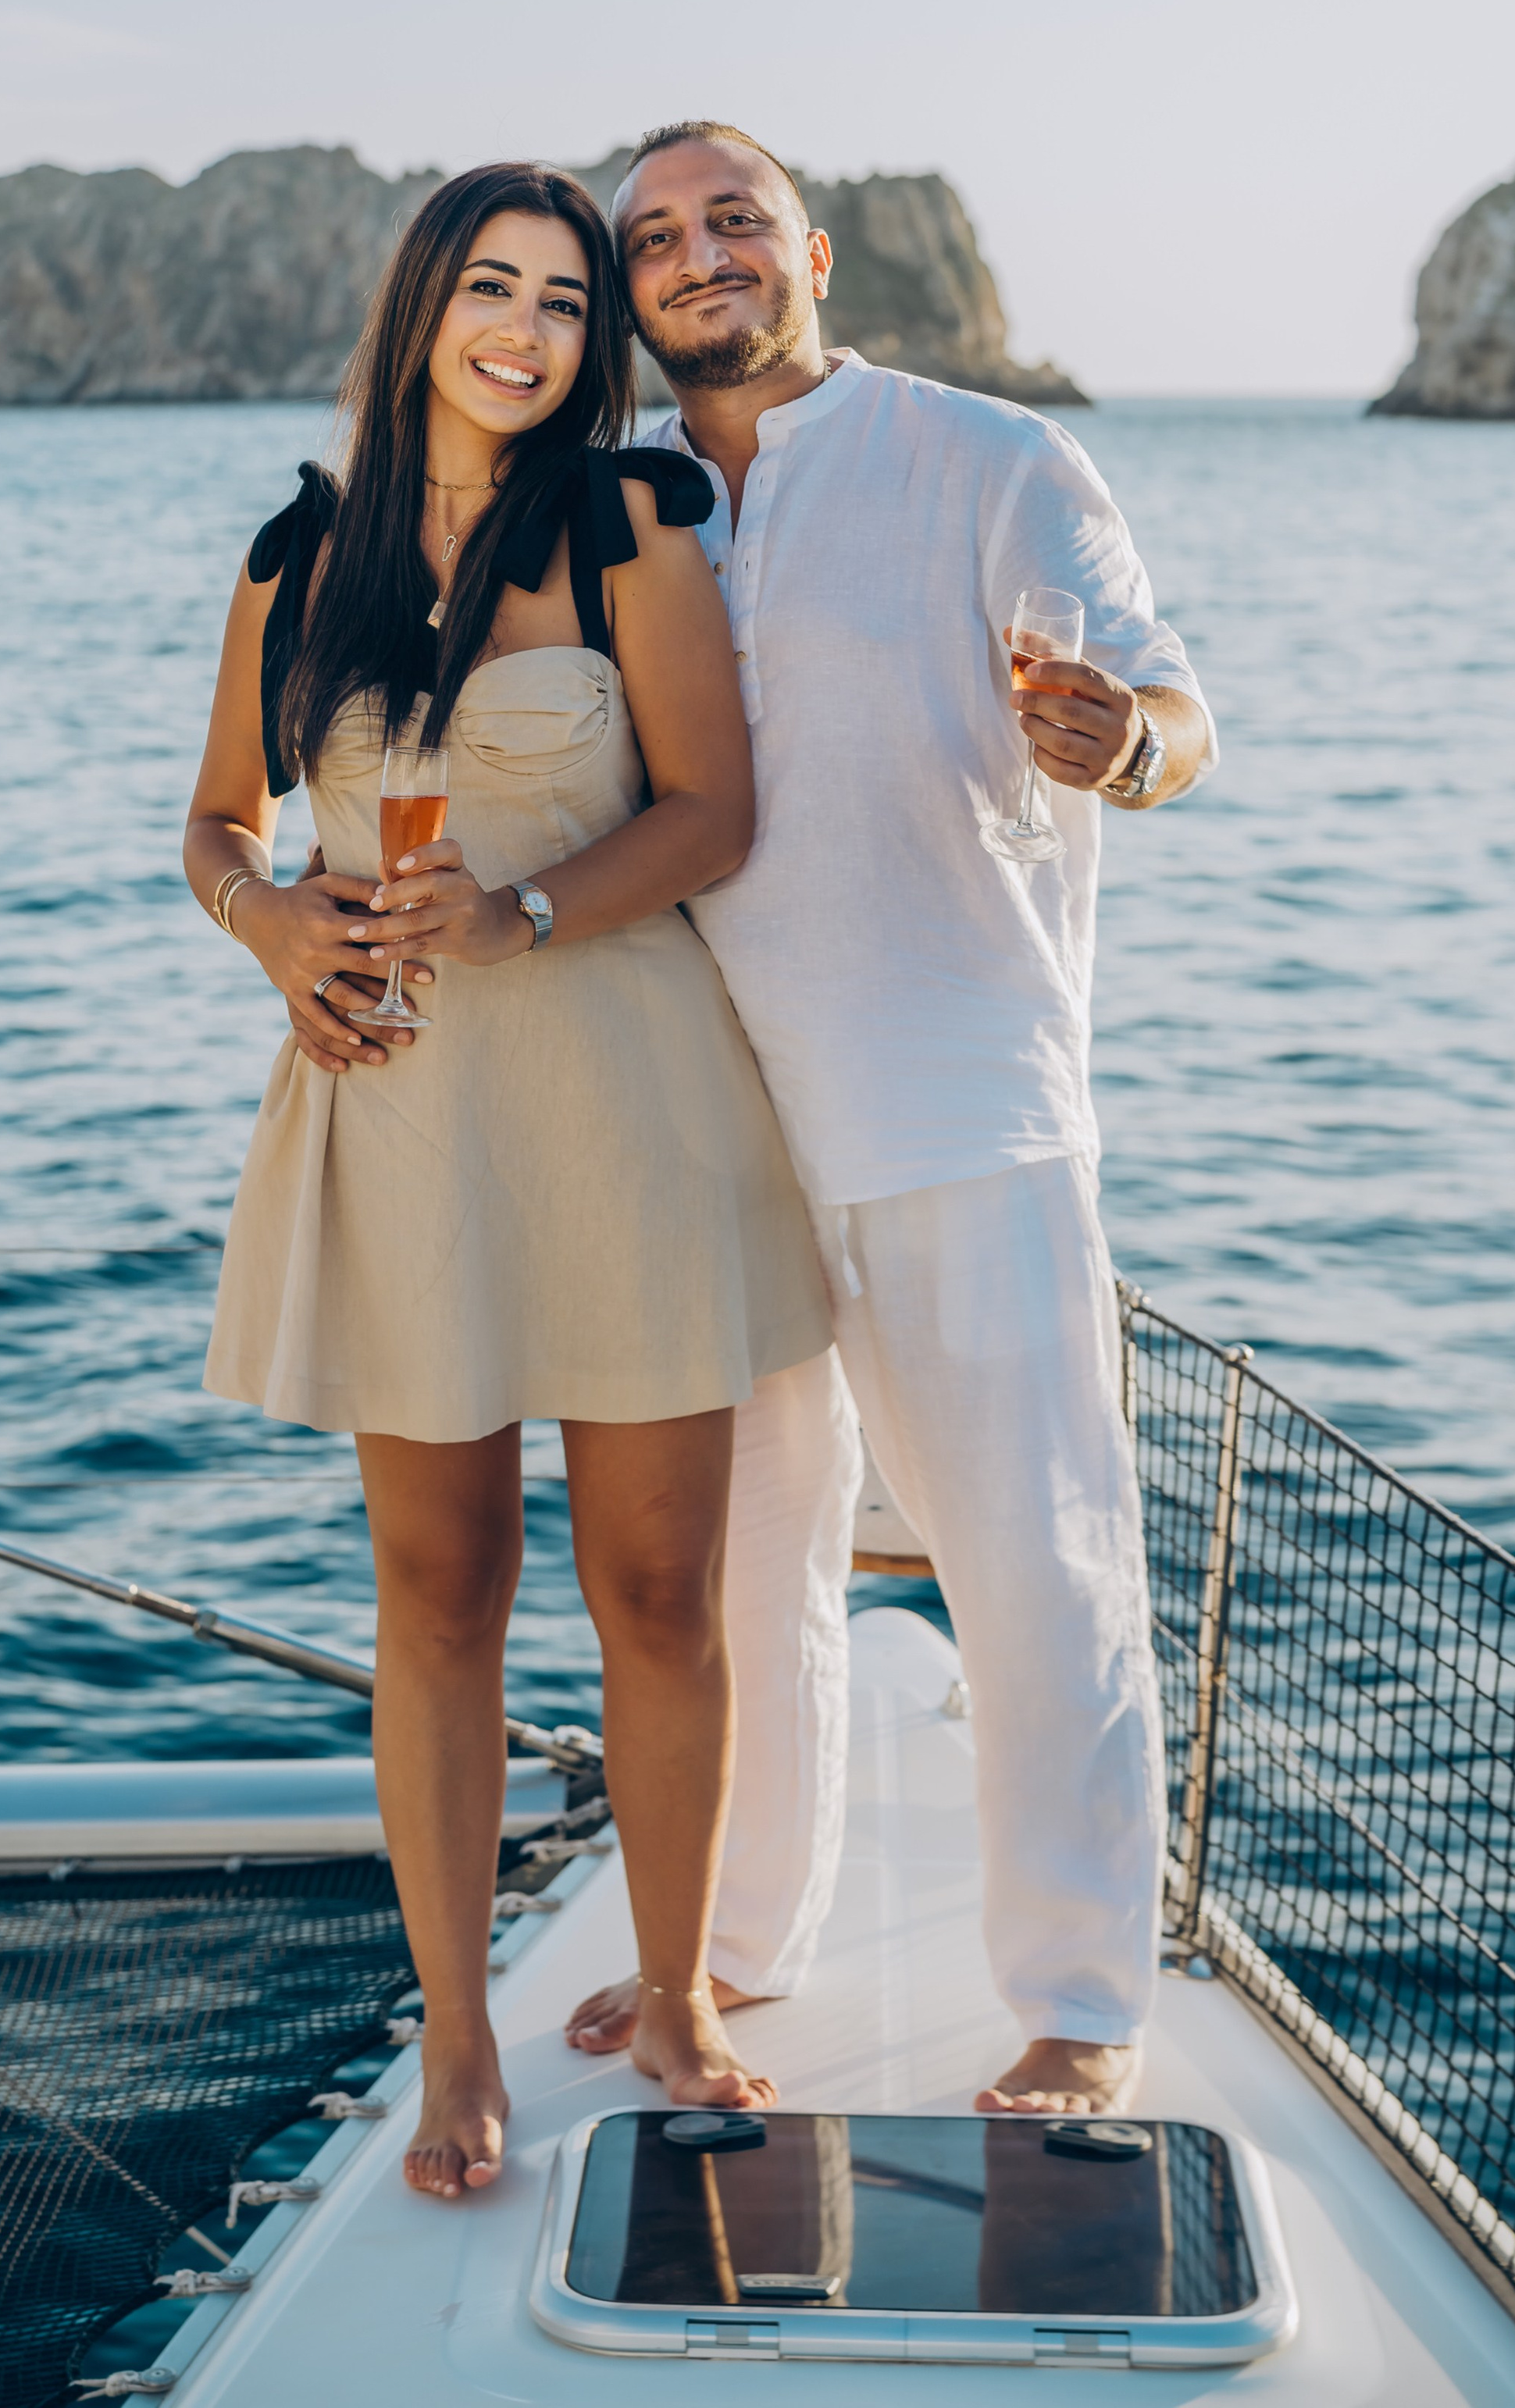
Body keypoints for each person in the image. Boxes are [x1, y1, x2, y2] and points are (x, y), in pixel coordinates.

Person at [304, 123, 1214, 2122]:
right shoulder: (626, 509)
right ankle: (727, 1948)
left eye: (733, 220)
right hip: (702, 1125)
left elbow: (1169, 708)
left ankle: (1076, 2000)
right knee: (738, 1577)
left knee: (1034, 1560)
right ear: (625, 296)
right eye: (651, 239)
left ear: (812, 248)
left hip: (952, 1100)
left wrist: (1115, 739)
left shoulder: (988, 459)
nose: (696, 256)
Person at [184, 162, 832, 2201]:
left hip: (627, 1106)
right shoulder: (304, 554)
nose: (531, 333)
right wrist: (277, 929)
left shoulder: (632, 519)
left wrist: (527, 912)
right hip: (399, 1119)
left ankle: (680, 1992)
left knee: (658, 1588)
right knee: (438, 1594)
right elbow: (217, 821)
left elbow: (718, 813)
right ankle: (458, 2041)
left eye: (568, 303)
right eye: (495, 289)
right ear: (423, 310)